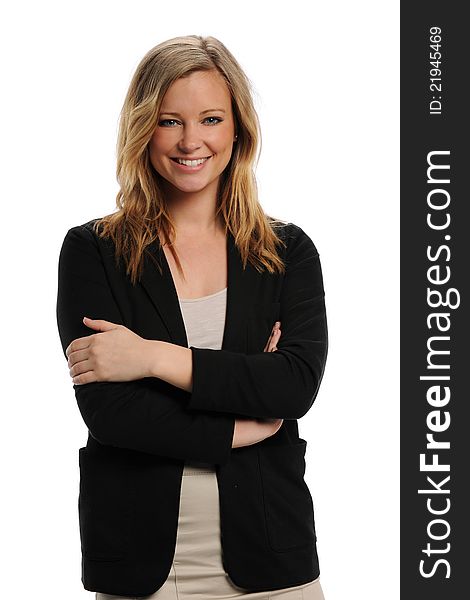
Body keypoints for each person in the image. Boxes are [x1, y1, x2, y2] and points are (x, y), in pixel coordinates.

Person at [56, 34, 328, 600]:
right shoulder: (93, 251)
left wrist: (151, 358)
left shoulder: (287, 252)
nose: (191, 141)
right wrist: (238, 424)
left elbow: (292, 386)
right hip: (141, 565)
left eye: (210, 118)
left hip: (272, 564)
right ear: (142, 129)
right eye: (169, 120)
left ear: (237, 129)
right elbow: (113, 414)